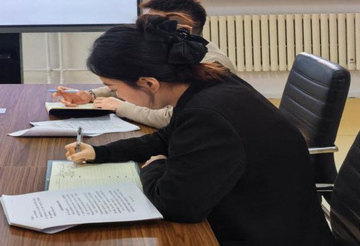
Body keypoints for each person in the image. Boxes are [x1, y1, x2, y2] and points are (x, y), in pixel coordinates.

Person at [63, 15, 333, 246]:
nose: (117, 95)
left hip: (262, 234)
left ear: (149, 83)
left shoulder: (207, 114)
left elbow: (175, 205)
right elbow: (168, 137)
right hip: (263, 217)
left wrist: (154, 166)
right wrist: (102, 153)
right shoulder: (209, 82)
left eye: (114, 88)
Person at [54, 0, 235, 128]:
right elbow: (136, 82)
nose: (145, 32)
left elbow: (171, 117)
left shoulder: (212, 63)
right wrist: (91, 95)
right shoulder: (176, 54)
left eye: (153, 25)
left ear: (180, 27)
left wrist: (120, 107)